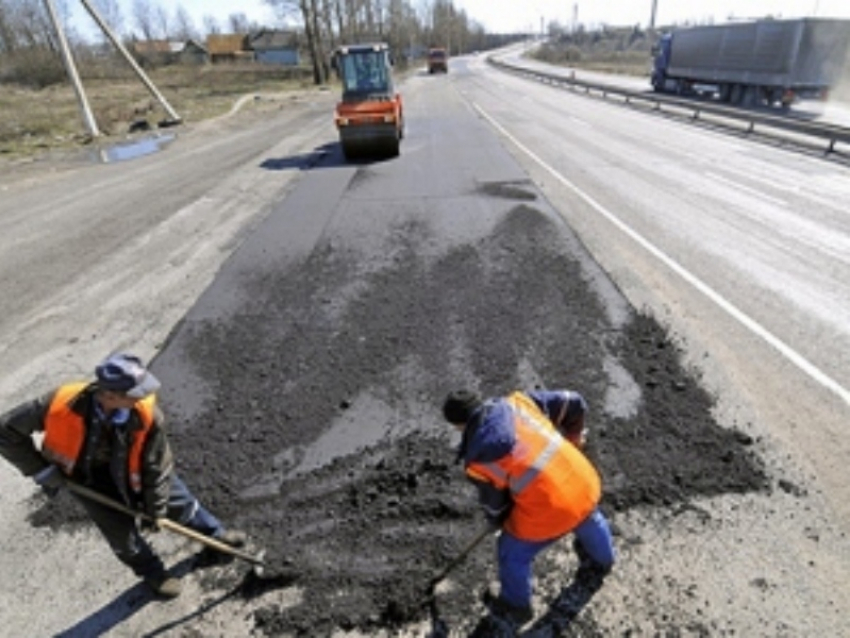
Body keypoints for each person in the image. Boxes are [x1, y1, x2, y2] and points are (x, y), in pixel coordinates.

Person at [0, 352, 246, 599]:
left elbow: (157, 467)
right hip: (87, 482)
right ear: (110, 396)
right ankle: (153, 573)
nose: (146, 396)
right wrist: (41, 470)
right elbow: (5, 431)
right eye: (137, 393)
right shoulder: (61, 402)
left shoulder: (148, 416)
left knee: (180, 502)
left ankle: (217, 538)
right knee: (123, 538)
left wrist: (156, 511)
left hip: (136, 470)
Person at [442, 388, 615, 625]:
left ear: (459, 426)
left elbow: (495, 506)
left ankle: (516, 606)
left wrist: (497, 520)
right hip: (583, 481)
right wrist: (574, 439)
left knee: (510, 551)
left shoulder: (478, 459)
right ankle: (602, 560)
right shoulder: (519, 404)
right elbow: (574, 401)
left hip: (552, 511)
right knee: (587, 513)